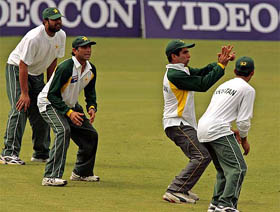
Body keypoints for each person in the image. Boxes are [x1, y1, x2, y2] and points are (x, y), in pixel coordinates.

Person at [162, 40, 235, 204]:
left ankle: (183, 188)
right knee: (201, 155)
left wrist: (218, 63)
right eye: (185, 53)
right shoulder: (175, 74)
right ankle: (175, 189)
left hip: (182, 124)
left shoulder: (181, 70)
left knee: (202, 155)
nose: (189, 55)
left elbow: (201, 72)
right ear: (174, 56)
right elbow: (202, 84)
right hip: (177, 124)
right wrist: (221, 67)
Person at [0, 7, 66, 165]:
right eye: (54, 19)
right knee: (20, 107)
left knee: (43, 107)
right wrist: (24, 93)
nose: (58, 22)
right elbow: (23, 65)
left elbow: (52, 62)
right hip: (17, 69)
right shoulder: (34, 38)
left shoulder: (61, 35)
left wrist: (51, 88)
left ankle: (41, 153)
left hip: (36, 74)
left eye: (59, 19)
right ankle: (8, 153)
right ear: (45, 21)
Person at [37, 36, 100, 186]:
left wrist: (91, 107)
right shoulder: (66, 67)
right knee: (63, 130)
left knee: (90, 135)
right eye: (84, 47)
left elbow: (90, 92)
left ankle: (81, 172)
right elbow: (52, 94)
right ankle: (50, 176)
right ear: (74, 50)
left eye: (89, 47)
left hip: (69, 106)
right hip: (48, 104)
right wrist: (69, 112)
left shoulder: (91, 69)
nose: (88, 50)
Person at [197, 56, 255, 212]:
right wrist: (244, 139)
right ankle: (226, 204)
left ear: (235, 70)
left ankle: (215, 204)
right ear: (252, 73)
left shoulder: (224, 85)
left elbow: (219, 112)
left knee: (224, 169)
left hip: (202, 128)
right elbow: (243, 120)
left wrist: (231, 130)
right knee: (238, 168)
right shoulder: (248, 90)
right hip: (218, 130)